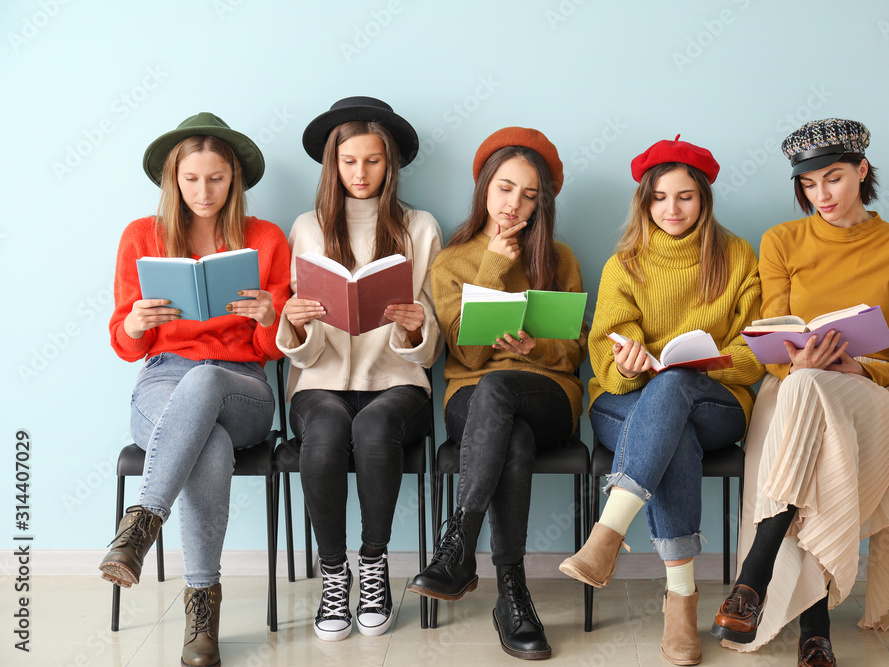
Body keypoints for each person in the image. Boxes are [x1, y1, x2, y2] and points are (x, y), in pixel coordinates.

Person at [711, 118, 889, 666]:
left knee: (810, 394)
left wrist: (864, 371)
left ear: (862, 170)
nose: (821, 196)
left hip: (872, 396)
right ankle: (816, 633)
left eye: (832, 179)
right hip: (793, 387)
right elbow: (771, 341)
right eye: (808, 186)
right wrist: (798, 364)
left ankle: (754, 576)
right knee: (805, 386)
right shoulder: (782, 241)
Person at [558, 137, 765, 665]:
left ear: (705, 200)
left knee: (673, 386)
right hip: (624, 402)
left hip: (717, 402)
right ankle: (681, 603)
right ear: (644, 202)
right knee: (674, 428)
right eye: (659, 198)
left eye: (686, 197)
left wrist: (699, 366)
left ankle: (608, 533)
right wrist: (626, 366)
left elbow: (755, 351)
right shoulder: (624, 264)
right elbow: (605, 355)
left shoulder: (738, 256)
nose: (672, 209)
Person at [102, 112, 291, 667]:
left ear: (233, 179)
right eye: (192, 179)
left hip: (241, 385)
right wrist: (136, 322)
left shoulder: (265, 238)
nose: (204, 191)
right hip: (162, 375)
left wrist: (268, 315)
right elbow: (126, 343)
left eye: (216, 178)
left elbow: (275, 348)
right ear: (173, 180)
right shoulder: (142, 236)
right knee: (205, 441)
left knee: (207, 379)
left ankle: (141, 524)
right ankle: (201, 612)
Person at [406, 127, 587, 660]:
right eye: (506, 188)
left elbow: (576, 351)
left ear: (543, 203)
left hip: (549, 392)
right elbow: (465, 353)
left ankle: (458, 546)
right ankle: (513, 594)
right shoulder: (452, 261)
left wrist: (535, 348)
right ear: (485, 187)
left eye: (530, 195)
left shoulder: (561, 258)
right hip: (473, 396)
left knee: (503, 386)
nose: (514, 204)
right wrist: (493, 266)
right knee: (510, 429)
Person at [275, 96, 443, 641]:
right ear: (333, 164)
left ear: (390, 165)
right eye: (349, 161)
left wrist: (415, 326)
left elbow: (431, 344)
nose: (360, 173)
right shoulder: (306, 228)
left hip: (397, 383)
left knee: (372, 427)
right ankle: (333, 571)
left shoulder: (420, 227)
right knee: (323, 432)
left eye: (373, 161)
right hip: (321, 382)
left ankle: (374, 564)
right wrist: (296, 323)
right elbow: (298, 353)